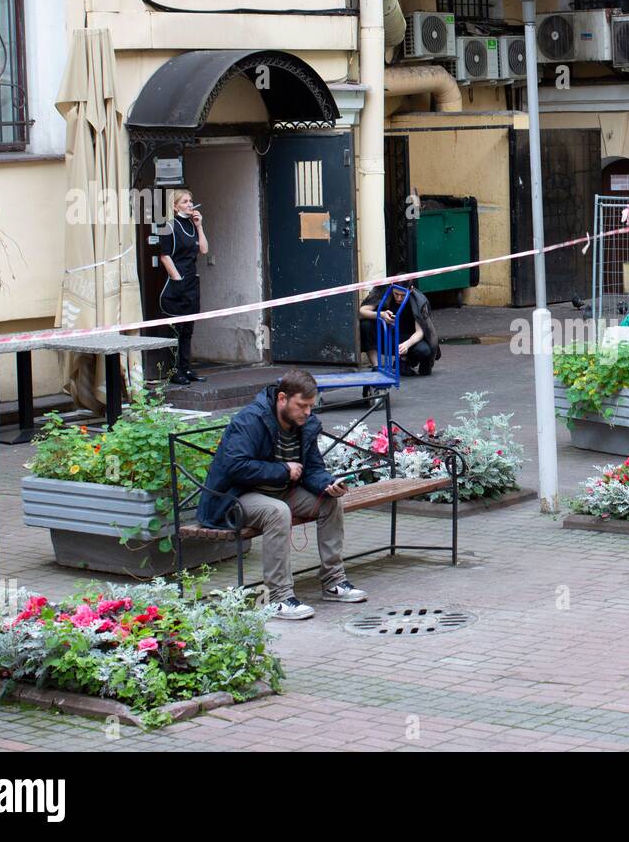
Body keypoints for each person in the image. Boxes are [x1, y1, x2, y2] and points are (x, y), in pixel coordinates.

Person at [197, 369, 367, 620]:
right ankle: (277, 598)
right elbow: (235, 466)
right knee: (277, 512)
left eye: (311, 406)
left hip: (281, 491)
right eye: (302, 405)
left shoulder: (304, 423)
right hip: (237, 497)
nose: (308, 412)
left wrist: (327, 485)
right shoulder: (251, 420)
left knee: (330, 503)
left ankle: (334, 583)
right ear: (282, 398)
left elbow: (312, 468)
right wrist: (282, 470)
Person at [159, 189, 208, 386]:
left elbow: (204, 249)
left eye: (191, 200)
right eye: (185, 201)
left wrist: (200, 226)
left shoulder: (192, 224)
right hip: (177, 282)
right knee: (175, 330)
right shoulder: (169, 226)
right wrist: (177, 278)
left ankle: (186, 368)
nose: (190, 204)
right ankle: (174, 371)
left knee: (188, 329)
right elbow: (164, 255)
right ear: (175, 206)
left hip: (192, 282)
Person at [358, 283, 440, 376]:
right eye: (396, 294)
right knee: (365, 324)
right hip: (386, 336)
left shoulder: (418, 300)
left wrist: (407, 344)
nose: (399, 298)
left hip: (406, 337)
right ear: (392, 287)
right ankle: (376, 366)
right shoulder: (383, 291)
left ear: (411, 289)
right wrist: (381, 314)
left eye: (403, 295)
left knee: (423, 350)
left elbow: (420, 332)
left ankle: (404, 361)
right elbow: (361, 311)